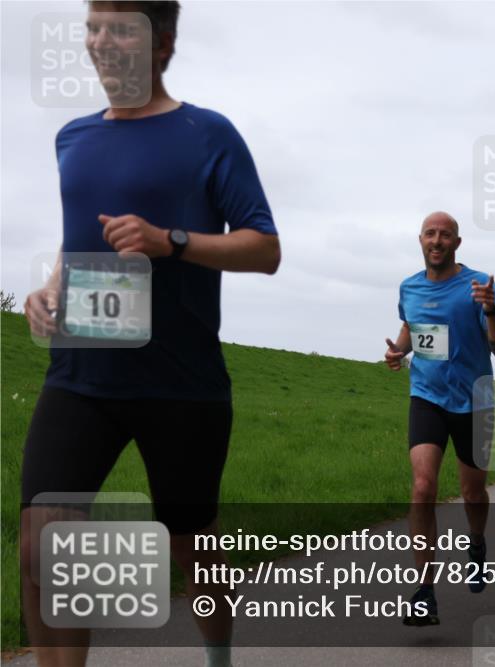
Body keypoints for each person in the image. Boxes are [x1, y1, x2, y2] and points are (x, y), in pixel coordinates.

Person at [20, 4, 281, 666]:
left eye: (121, 29)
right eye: (93, 28)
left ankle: (218, 653)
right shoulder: (71, 138)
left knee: (193, 543)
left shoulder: (207, 134)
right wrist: (50, 289)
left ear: (161, 42)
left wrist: (173, 242)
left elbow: (265, 247)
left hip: (180, 383)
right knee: (43, 541)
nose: (102, 43)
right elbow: (79, 232)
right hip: (82, 376)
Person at [385, 211, 495, 626]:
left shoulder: (479, 287)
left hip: (475, 401)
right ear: (420, 240)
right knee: (423, 487)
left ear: (457, 243)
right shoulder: (409, 286)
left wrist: (491, 312)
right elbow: (411, 326)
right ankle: (425, 591)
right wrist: (399, 351)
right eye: (430, 233)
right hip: (427, 396)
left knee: (473, 493)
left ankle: (476, 543)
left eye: (445, 235)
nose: (437, 240)